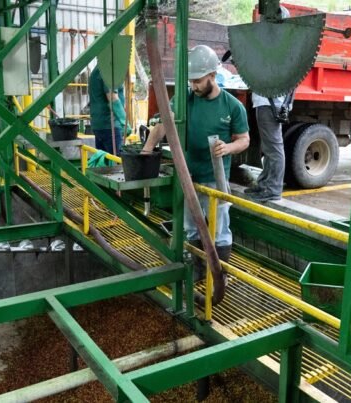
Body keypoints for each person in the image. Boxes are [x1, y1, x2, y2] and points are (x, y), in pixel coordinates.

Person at [142, 45, 250, 268]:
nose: (194, 86)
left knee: (219, 229)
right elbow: (165, 123)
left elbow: (244, 139)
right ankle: (196, 271)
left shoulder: (233, 106)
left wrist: (228, 148)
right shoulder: (184, 101)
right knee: (190, 227)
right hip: (189, 177)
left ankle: (220, 275)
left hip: (215, 180)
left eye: (198, 80)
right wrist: (146, 150)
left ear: (213, 75)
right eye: (191, 81)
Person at [245, 5, 291, 203]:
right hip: (266, 101)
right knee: (269, 147)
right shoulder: (277, 46)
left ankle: (273, 189)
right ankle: (265, 183)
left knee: (274, 148)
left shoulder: (281, 47)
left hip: (270, 102)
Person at [89, 66, 126, 155]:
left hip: (98, 125)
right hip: (111, 126)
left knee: (104, 163)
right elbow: (112, 97)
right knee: (117, 165)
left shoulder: (97, 70)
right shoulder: (109, 69)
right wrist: (124, 121)